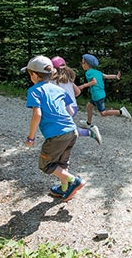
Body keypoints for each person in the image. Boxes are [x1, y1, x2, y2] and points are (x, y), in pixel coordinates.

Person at [22, 55, 85, 202]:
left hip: (57, 135)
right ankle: (64, 190)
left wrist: (31, 137)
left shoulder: (34, 90)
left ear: (35, 75)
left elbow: (37, 114)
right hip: (72, 131)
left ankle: (74, 181)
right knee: (61, 164)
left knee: (46, 165)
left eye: (29, 73)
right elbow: (70, 111)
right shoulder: (58, 89)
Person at [51, 56, 102, 144]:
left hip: (64, 108)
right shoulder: (68, 80)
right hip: (73, 107)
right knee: (61, 127)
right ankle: (60, 144)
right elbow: (78, 92)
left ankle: (89, 132)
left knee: (62, 128)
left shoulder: (52, 81)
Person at [77, 53, 132, 128]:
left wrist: (83, 86)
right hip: (100, 94)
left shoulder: (88, 72)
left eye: (83, 62)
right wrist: (116, 76)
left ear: (87, 64)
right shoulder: (97, 72)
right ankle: (88, 123)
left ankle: (121, 111)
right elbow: (106, 76)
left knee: (103, 113)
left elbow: (94, 82)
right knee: (88, 106)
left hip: (97, 95)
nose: (82, 64)